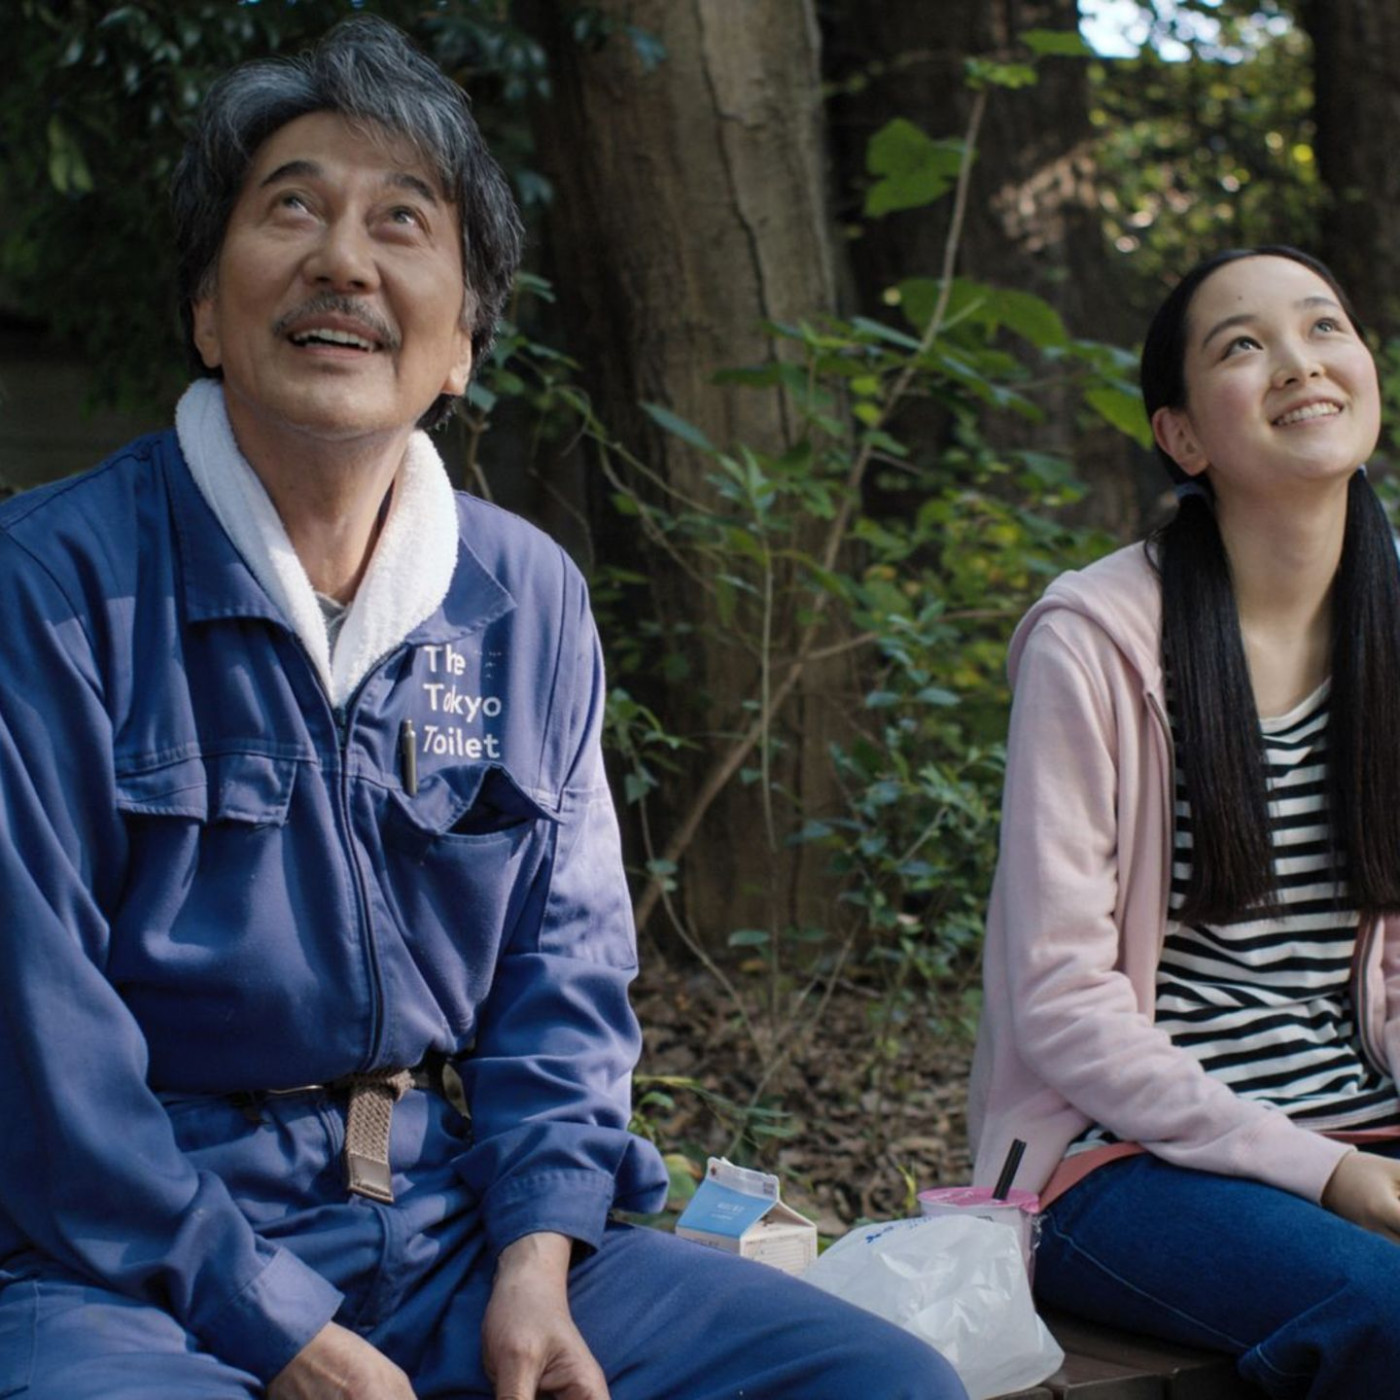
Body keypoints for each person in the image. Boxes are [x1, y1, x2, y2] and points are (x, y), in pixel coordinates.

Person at [0, 17, 969, 1400]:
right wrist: (278, 1330)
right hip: (123, 1268)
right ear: (207, 311)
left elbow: (562, 989)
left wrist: (536, 1257)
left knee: (880, 1387)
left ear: (463, 343)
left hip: (447, 1231)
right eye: (292, 208)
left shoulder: (524, 598)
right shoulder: (47, 587)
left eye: (404, 221)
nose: (345, 258)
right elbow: (39, 1063)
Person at [969, 244, 1400, 1398]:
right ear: (1180, 437)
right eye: (1242, 345)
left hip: (1366, 1120)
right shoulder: (1093, 639)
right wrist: (1321, 1173)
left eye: (1322, 326)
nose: (1297, 362)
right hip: (1121, 1160)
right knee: (1383, 1310)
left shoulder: (1391, 624)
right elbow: (1059, 999)